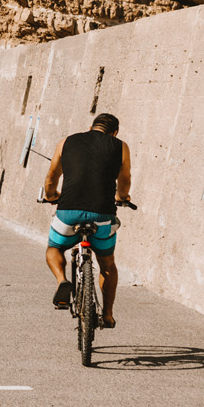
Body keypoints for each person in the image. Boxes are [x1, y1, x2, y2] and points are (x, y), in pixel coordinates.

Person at [42, 113, 131, 328]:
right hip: (103, 215)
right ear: (115, 132)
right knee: (107, 263)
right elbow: (125, 179)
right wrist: (122, 197)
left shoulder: (66, 142)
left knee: (53, 248)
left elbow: (51, 178)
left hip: (68, 213)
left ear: (90, 127)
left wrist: (51, 195)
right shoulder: (121, 146)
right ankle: (108, 314)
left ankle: (62, 280)